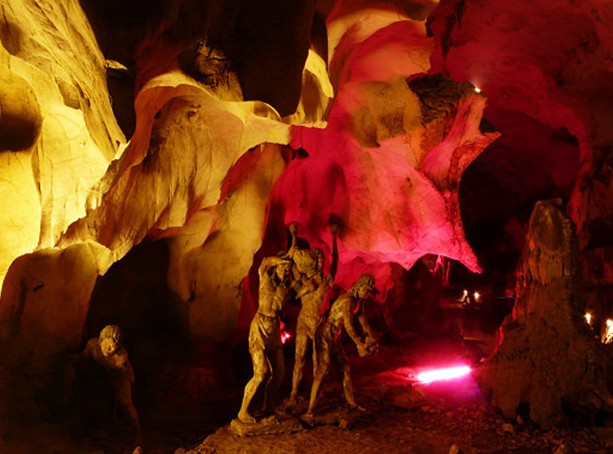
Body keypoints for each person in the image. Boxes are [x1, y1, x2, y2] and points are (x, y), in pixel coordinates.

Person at [306, 273, 379, 417]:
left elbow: (364, 324)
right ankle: (310, 409)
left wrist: (371, 339)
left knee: (345, 367)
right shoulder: (348, 301)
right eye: (366, 289)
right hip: (325, 333)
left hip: (335, 335)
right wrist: (359, 344)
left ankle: (351, 402)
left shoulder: (359, 302)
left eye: (369, 291)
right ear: (359, 286)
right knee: (323, 369)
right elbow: (348, 325)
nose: (367, 294)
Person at [237, 251, 296, 424]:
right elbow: (265, 262)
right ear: (276, 267)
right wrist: (282, 259)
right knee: (261, 373)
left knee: (279, 374)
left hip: (274, 329)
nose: (285, 271)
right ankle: (243, 411)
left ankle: (267, 407)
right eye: (283, 268)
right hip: (260, 328)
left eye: (288, 269)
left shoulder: (287, 288)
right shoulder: (266, 278)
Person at [80, 324, 142, 447]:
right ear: (101, 340)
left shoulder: (120, 357)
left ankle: (138, 431)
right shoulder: (93, 346)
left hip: (121, 376)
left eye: (114, 347)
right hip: (104, 374)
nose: (110, 349)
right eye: (107, 345)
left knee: (125, 402)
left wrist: (120, 384)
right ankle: (109, 420)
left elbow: (122, 375)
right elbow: (84, 358)